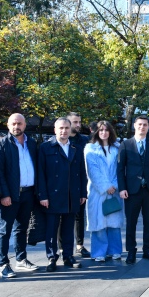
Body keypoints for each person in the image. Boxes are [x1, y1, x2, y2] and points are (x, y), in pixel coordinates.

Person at [0, 113, 39, 278]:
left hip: (28, 193)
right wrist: (3, 194)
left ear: (25, 125)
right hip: (9, 195)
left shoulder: (32, 143)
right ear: (8, 125)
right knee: (4, 230)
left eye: (19, 123)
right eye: (13, 123)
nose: (16, 127)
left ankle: (21, 259)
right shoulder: (1, 145)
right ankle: (3, 264)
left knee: (22, 228)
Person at [38, 117, 88, 272]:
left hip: (71, 194)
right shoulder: (45, 148)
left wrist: (82, 192)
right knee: (51, 230)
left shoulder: (75, 148)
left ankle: (68, 256)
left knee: (68, 228)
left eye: (67, 128)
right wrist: (42, 195)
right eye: (61, 128)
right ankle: (52, 257)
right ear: (55, 130)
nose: (64, 131)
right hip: (52, 195)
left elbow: (81, 172)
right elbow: (40, 173)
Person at [117, 116, 149, 264]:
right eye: (139, 125)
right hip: (131, 191)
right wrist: (122, 188)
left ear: (148, 126)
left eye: (145, 125)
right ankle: (131, 251)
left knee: (148, 222)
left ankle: (147, 250)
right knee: (131, 222)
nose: (142, 127)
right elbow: (120, 169)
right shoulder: (125, 144)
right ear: (134, 126)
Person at [84, 121, 125, 262]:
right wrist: (105, 186)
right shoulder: (90, 149)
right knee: (98, 224)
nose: (103, 133)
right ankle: (98, 252)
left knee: (114, 223)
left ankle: (115, 250)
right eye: (101, 130)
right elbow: (93, 171)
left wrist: (114, 185)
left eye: (106, 130)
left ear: (110, 132)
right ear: (96, 132)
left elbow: (119, 169)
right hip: (97, 191)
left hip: (114, 190)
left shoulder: (117, 148)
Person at [64, 111, 91, 258]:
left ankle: (80, 245)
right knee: (63, 217)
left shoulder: (85, 140)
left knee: (80, 216)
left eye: (79, 122)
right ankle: (62, 248)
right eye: (75, 122)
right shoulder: (63, 140)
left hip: (80, 181)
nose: (78, 125)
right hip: (63, 184)